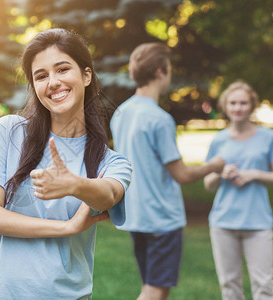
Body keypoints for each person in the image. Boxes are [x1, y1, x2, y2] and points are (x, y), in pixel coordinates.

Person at [0, 28, 132, 299]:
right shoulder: (9, 132)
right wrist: (66, 228)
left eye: (62, 69)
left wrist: (75, 185)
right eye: (41, 76)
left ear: (86, 75)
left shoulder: (110, 161)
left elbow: (109, 194)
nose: (52, 82)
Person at [110, 42, 225, 300]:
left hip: (135, 216)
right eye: (169, 68)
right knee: (155, 290)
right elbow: (182, 175)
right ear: (161, 71)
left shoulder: (120, 113)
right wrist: (213, 166)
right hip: (161, 217)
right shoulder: (159, 118)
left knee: (153, 288)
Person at [204, 80, 273, 300]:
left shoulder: (267, 137)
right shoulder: (219, 139)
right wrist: (219, 173)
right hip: (223, 222)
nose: (237, 108)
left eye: (243, 103)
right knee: (229, 287)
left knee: (264, 286)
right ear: (225, 106)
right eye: (233, 103)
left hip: (257, 222)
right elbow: (207, 183)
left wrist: (254, 174)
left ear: (251, 106)